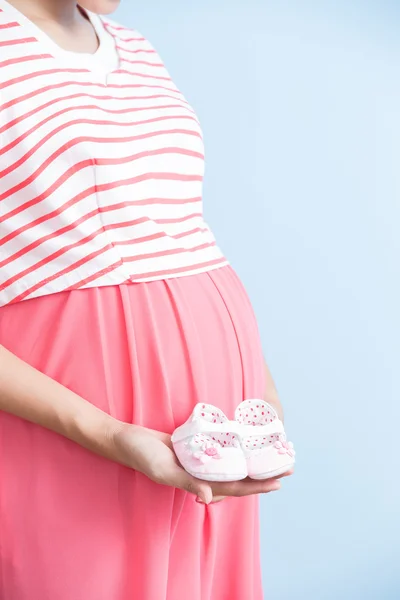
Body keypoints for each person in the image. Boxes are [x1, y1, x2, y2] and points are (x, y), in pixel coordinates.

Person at [0, 1, 293, 598]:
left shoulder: (133, 47)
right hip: (73, 429)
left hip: (212, 435)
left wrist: (256, 379)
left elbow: (176, 225)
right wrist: (105, 432)